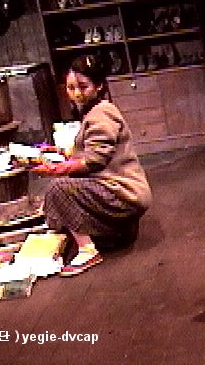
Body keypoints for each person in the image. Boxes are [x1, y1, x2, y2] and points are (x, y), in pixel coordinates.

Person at [33, 54, 152, 276]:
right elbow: (89, 148)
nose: (77, 93)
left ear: (98, 86)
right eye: (71, 88)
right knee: (64, 186)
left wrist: (56, 169)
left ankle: (88, 251)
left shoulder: (102, 112)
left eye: (83, 87)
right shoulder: (94, 111)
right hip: (117, 192)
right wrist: (58, 154)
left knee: (59, 189)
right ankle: (112, 233)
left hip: (123, 194)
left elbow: (95, 159)